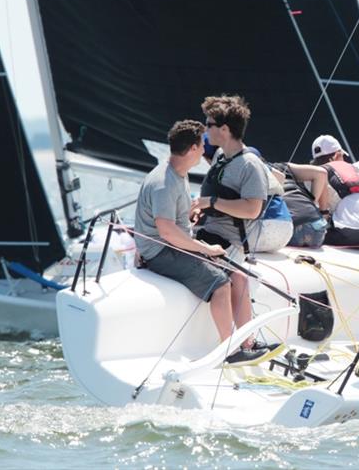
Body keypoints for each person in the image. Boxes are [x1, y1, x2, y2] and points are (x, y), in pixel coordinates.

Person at [134, 120, 266, 364]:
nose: (206, 150)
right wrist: (206, 249)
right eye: (202, 145)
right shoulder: (164, 182)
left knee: (238, 276)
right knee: (220, 283)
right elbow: (167, 232)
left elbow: (172, 222)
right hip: (161, 251)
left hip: (175, 243)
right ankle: (229, 350)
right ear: (193, 149)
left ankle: (248, 341)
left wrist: (190, 216)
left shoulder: (177, 173)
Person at [190, 95, 278, 359]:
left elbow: (253, 209)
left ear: (225, 129)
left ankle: (243, 344)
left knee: (236, 278)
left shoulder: (250, 165)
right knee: (236, 277)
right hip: (207, 233)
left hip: (229, 241)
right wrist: (200, 208)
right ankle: (244, 343)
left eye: (209, 124)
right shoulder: (219, 156)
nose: (205, 130)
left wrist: (211, 201)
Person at [272, 162, 330, 248]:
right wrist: (313, 204)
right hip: (317, 229)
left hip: (291, 228)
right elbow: (322, 173)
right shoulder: (282, 166)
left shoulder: (255, 172)